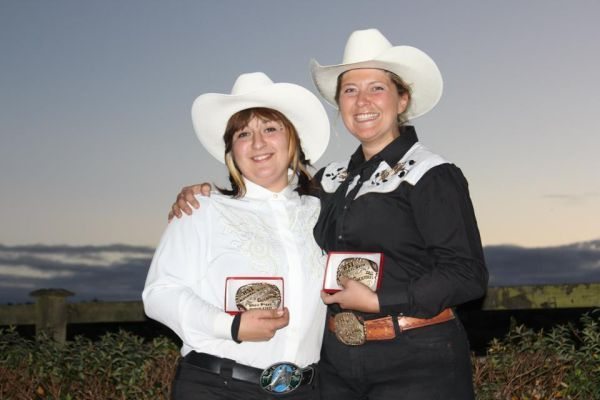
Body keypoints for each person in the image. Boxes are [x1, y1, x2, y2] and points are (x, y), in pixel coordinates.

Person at [170, 29, 488, 400]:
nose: (362, 101)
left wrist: (380, 301)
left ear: (402, 99)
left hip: (417, 359)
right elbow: (269, 202)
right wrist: (209, 193)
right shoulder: (329, 178)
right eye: (350, 90)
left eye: (377, 88)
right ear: (339, 103)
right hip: (336, 363)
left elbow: (468, 274)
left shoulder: (431, 174)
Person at [143, 72, 330, 399]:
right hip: (219, 387)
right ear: (231, 150)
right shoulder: (202, 209)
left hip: (306, 390)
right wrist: (230, 326)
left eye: (270, 128)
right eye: (244, 133)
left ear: (293, 140)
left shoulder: (321, 210)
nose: (258, 143)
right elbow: (159, 294)